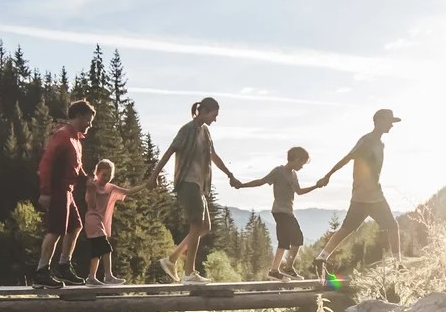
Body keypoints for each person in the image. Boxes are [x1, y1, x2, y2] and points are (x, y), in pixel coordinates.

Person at [149, 98, 239, 283]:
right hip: (187, 182)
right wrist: (154, 176)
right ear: (204, 111)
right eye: (213, 115)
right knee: (197, 225)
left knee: (205, 227)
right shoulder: (187, 130)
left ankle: (172, 259)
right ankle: (189, 273)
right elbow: (169, 151)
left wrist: (229, 174)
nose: (215, 120)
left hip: (199, 185)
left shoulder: (205, 132)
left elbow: (213, 156)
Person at [312, 108, 402, 277]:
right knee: (388, 226)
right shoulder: (367, 141)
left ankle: (321, 258)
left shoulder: (380, 143)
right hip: (366, 195)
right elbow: (348, 157)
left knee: (350, 228)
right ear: (380, 120)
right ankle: (398, 265)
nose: (391, 125)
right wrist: (327, 176)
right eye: (390, 121)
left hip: (369, 194)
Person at [231, 146, 319, 279]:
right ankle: (288, 268)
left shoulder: (294, 175)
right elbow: (261, 181)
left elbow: (299, 192)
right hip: (280, 211)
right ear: (295, 159)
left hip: (287, 212)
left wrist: (316, 186)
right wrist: (242, 185)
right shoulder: (278, 171)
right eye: (302, 162)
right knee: (298, 238)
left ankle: (274, 270)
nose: (302, 166)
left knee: (284, 241)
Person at [33, 100, 95, 288]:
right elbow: (45, 164)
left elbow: (77, 166)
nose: (90, 125)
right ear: (78, 116)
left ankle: (63, 266)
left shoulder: (76, 139)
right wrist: (45, 192)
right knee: (55, 231)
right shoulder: (62, 136)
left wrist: (86, 179)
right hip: (58, 189)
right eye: (88, 120)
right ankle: (41, 272)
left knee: (75, 226)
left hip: (68, 191)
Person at [81, 159, 144, 286]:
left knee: (97, 252)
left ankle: (91, 277)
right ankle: (108, 276)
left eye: (109, 176)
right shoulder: (92, 185)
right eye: (104, 175)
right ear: (97, 173)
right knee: (106, 248)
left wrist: (146, 185)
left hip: (100, 222)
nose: (106, 178)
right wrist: (92, 190)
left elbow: (127, 192)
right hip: (93, 220)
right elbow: (91, 205)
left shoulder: (110, 188)